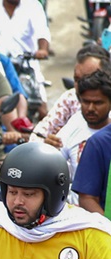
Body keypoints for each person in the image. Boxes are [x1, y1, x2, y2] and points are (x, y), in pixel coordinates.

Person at [44, 70, 111, 203]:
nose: (90, 108)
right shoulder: (73, 126)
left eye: (98, 103)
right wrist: (47, 151)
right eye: (86, 102)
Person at [30, 44, 110, 144]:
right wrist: (47, 143)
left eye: (88, 79)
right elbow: (38, 135)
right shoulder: (70, 99)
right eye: (76, 79)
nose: (79, 86)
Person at [0, 0, 49, 115]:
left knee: (42, 110)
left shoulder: (33, 5)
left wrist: (42, 50)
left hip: (26, 64)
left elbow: (42, 32)